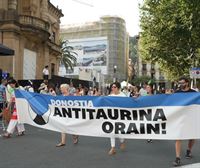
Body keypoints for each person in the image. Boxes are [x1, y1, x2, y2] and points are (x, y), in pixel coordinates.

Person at [173, 77, 196, 167]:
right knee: (178, 137)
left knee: (192, 136)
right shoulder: (177, 93)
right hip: (180, 118)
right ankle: (177, 158)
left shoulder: (194, 93)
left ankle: (189, 150)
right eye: (179, 83)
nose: (181, 84)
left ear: (187, 83)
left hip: (191, 117)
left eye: (182, 83)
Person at [108, 82, 127, 155]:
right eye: (112, 87)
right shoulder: (110, 95)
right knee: (111, 131)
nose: (113, 88)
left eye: (114, 87)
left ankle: (122, 141)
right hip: (112, 116)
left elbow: (129, 103)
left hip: (120, 116)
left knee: (119, 131)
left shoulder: (123, 96)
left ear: (118, 88)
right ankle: (113, 148)